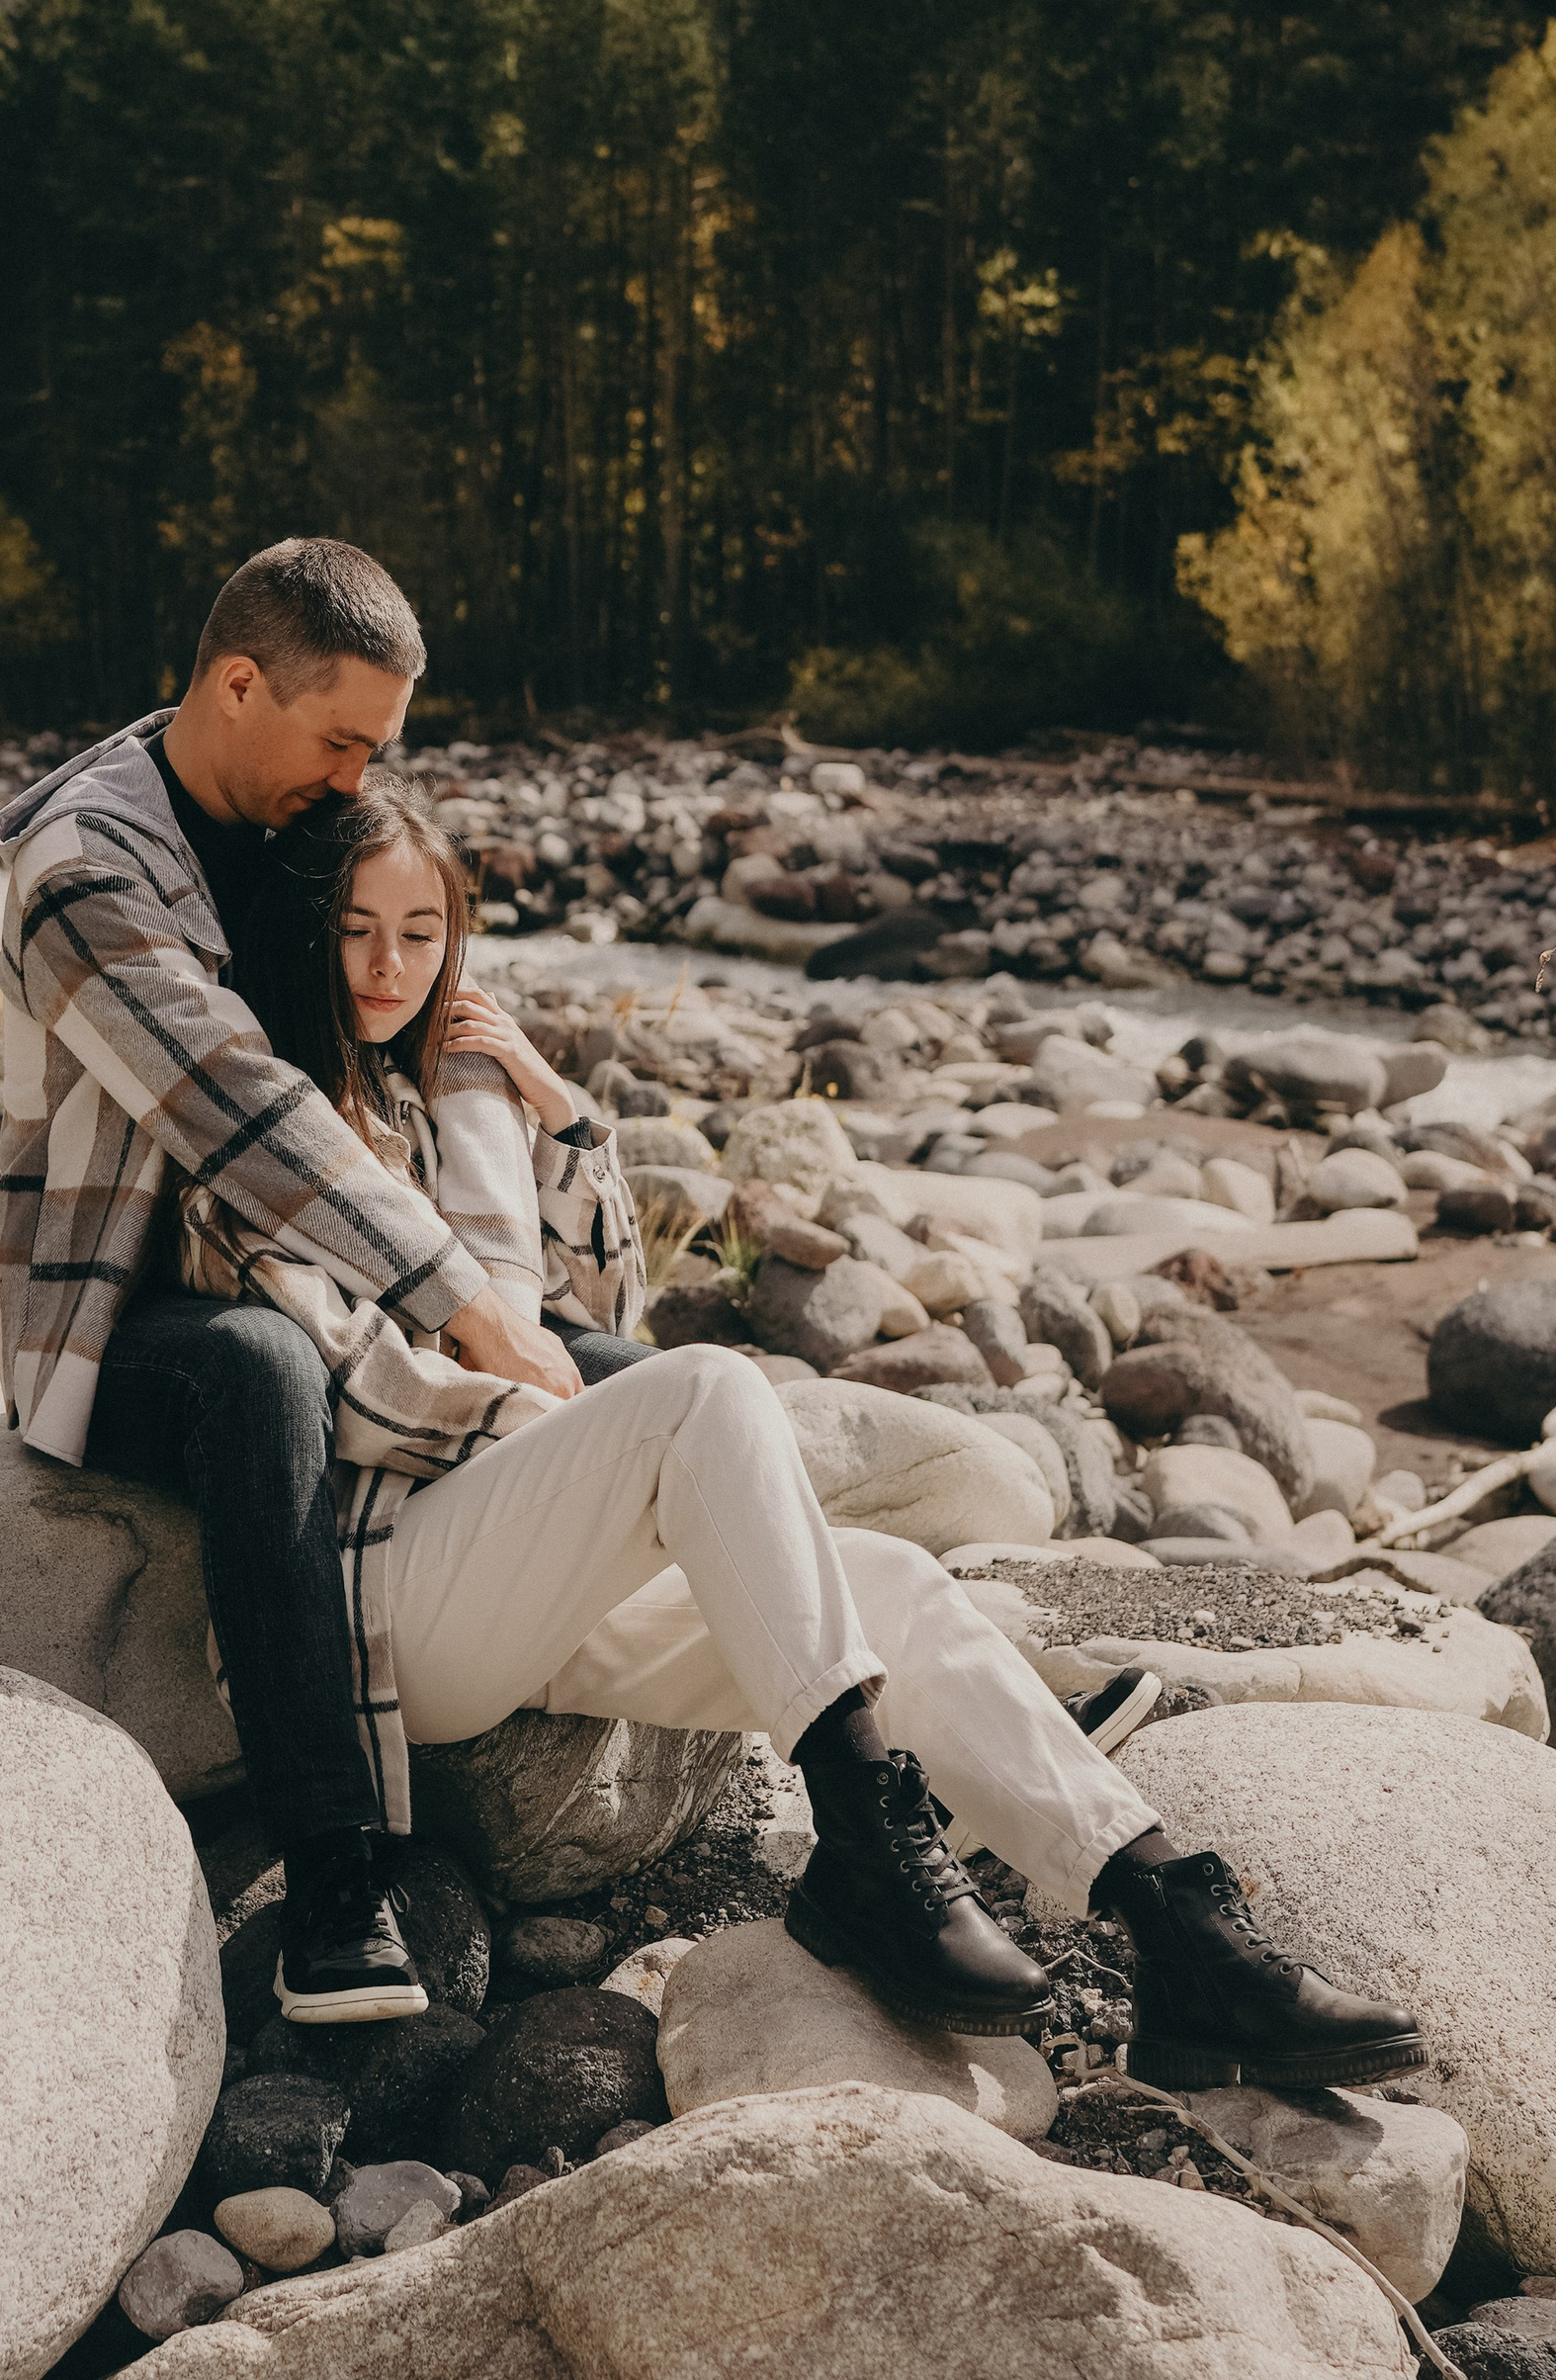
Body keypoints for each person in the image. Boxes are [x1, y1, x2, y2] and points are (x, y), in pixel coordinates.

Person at [195, 768, 1429, 2089]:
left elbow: (598, 1306)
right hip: (386, 1592)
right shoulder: (271, 1129)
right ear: (308, 932)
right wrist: (541, 1386)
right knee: (706, 1389)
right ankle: (867, 1856)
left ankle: (1176, 1928)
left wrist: (551, 1103)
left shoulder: (443, 1098)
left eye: (420, 932)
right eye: (356, 931)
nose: (390, 966)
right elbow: (364, 1388)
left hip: (524, 1571)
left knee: (889, 1585)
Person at [0, 537, 624, 2027]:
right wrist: (463, 1300)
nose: (358, 779)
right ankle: (334, 1873)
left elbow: (391, 1029)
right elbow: (238, 1106)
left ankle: (904, 1681)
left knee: (635, 1376)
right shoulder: (83, 867)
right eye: (342, 740)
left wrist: (547, 1125)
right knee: (257, 1371)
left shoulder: (291, 818)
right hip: (125, 1310)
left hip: (321, 1287)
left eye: (377, 750)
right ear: (237, 683)